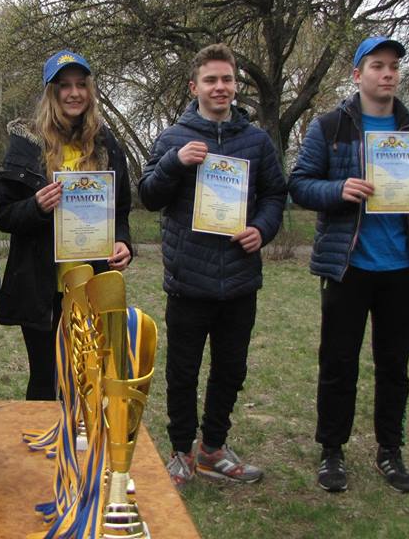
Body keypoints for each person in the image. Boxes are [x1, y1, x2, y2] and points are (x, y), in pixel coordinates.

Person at [289, 36, 409, 495]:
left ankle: (390, 451)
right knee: (338, 362)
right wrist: (339, 191)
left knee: (394, 365)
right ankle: (331, 451)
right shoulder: (332, 126)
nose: (388, 73)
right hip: (349, 266)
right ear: (357, 75)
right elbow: (300, 185)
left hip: (402, 268)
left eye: (394, 66)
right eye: (377, 65)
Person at [138, 43, 286, 487]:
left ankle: (213, 448)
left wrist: (262, 228)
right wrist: (174, 162)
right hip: (188, 278)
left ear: (235, 85)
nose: (220, 87)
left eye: (227, 79)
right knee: (182, 371)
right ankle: (181, 452)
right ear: (194, 86)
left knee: (231, 370)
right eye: (211, 80)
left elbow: (277, 194)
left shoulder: (256, 141)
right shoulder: (173, 137)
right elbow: (148, 196)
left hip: (240, 277)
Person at [0, 50, 133, 400]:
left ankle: (79, 448)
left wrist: (122, 242)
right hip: (42, 286)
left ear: (90, 90)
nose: (74, 93)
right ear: (50, 93)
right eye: (64, 86)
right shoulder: (27, 144)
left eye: (81, 85)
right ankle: (41, 450)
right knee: (45, 379)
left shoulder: (105, 142)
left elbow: (121, 209)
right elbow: (5, 216)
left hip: (90, 282)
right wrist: (37, 206)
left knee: (86, 376)